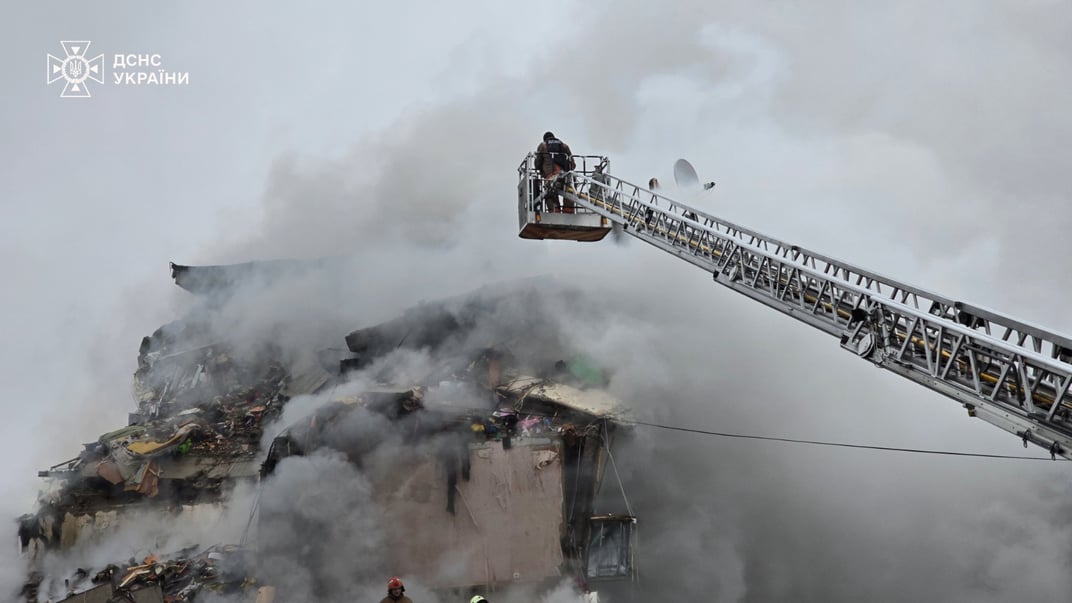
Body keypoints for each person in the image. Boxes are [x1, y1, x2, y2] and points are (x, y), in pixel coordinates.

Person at [534, 131, 576, 212]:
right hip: (567, 176)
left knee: (550, 194)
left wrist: (542, 170)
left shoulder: (543, 145)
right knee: (570, 192)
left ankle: (555, 210)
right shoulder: (564, 146)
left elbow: (537, 164)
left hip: (551, 176)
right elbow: (573, 165)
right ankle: (568, 211)